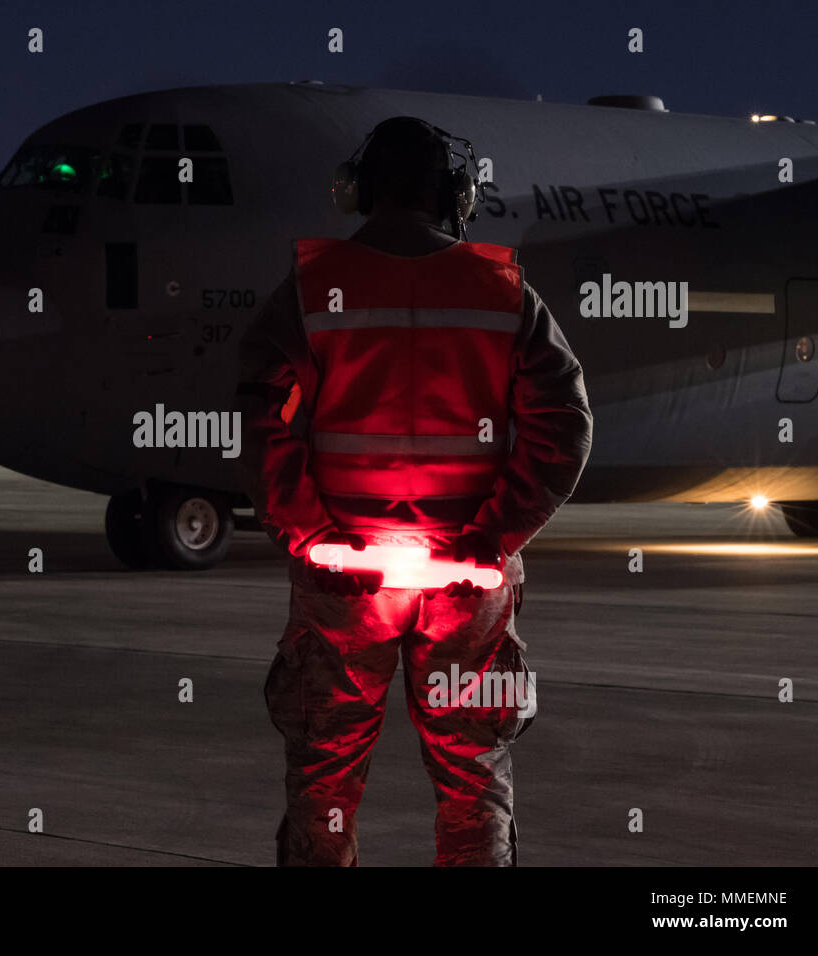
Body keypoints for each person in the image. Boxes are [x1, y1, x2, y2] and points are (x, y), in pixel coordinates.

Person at [234, 116, 593, 866]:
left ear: (362, 191)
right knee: (474, 774)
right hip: (466, 576)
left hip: (344, 574)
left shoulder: (310, 288)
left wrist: (307, 532)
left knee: (323, 773)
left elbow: (262, 418)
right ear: (455, 193)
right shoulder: (502, 292)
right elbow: (565, 425)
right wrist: (492, 535)